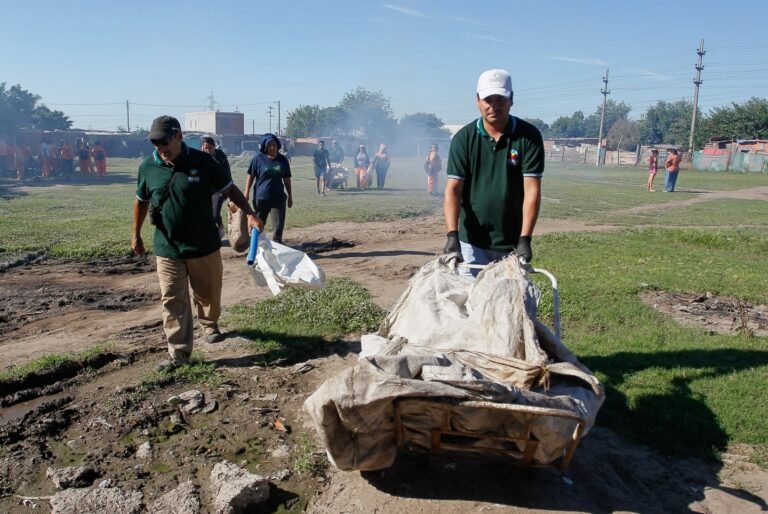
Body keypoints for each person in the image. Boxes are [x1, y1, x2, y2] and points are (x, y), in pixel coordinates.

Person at [131, 115, 261, 371]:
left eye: (164, 142)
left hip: (204, 245)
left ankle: (209, 323)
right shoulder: (148, 167)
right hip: (168, 247)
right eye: (155, 144)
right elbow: (141, 201)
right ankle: (178, 353)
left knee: (208, 293)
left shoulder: (203, 162)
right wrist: (135, 233)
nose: (160, 149)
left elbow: (230, 189)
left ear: (178, 136)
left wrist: (250, 213)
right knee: (172, 298)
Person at [443, 68, 544, 280]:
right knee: (472, 303)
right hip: (472, 241)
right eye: (488, 99)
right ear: (477, 100)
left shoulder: (528, 137)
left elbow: (532, 190)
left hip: (511, 241)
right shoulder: (464, 139)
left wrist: (525, 238)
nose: (494, 106)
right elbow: (453, 190)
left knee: (512, 304)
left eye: (500, 99)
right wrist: (452, 235)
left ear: (511, 100)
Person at [244, 133, 293, 244]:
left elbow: (287, 179)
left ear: (277, 145)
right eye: (269, 145)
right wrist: (246, 192)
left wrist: (290, 196)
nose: (272, 147)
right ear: (265, 147)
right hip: (261, 198)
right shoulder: (258, 159)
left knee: (278, 227)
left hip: (278, 198)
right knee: (257, 225)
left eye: (274, 144)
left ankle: (277, 250)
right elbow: (250, 176)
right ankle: (254, 250)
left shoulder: (283, 160)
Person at [201, 136, 230, 239]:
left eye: (209, 148)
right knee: (205, 213)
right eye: (205, 148)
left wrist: (228, 191)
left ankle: (219, 227)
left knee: (214, 213)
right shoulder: (200, 158)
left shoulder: (221, 158)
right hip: (205, 190)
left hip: (219, 190)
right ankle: (208, 235)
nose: (206, 150)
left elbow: (227, 175)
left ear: (214, 147)